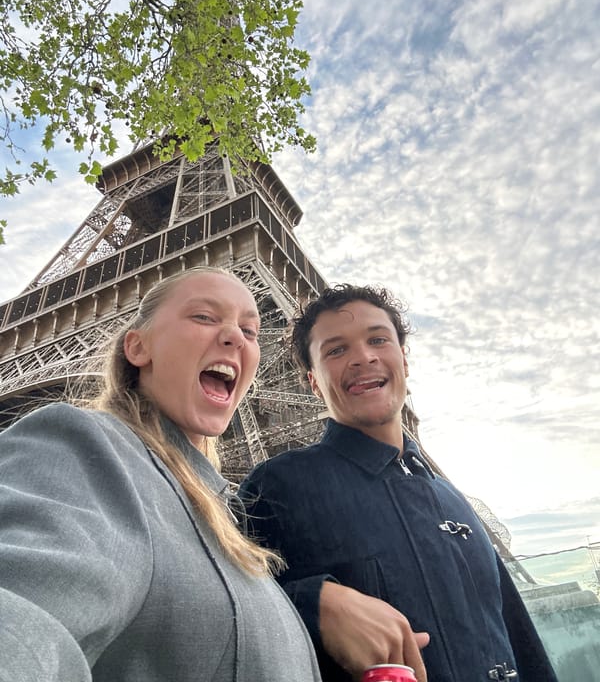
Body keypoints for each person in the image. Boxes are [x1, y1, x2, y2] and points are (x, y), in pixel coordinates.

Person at [0, 267, 322, 682]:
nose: (235, 336)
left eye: (250, 329)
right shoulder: (87, 447)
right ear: (137, 347)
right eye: (204, 317)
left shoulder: (221, 516)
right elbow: (22, 611)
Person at [240, 284, 558, 682]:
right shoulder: (275, 488)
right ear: (313, 382)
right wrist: (310, 603)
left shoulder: (452, 498)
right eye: (336, 350)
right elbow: (226, 620)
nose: (364, 357)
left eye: (378, 339)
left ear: (404, 361)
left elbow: (519, 638)